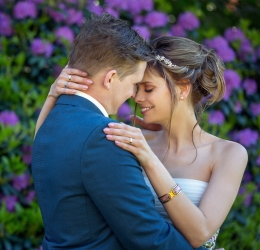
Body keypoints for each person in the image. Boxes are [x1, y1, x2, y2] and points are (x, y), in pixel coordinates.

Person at [39, 35, 248, 249]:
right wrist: (53, 95)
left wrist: (150, 161)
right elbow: (51, 147)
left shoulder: (228, 154)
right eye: (137, 87)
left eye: (148, 89)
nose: (136, 97)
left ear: (183, 89)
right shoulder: (133, 138)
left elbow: (200, 234)